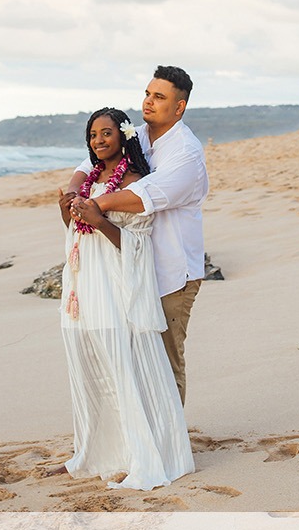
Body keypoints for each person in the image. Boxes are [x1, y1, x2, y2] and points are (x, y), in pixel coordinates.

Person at [55, 106, 194, 490]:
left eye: (106, 133)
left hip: (114, 285)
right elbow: (73, 229)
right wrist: (65, 208)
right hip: (84, 283)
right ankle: (94, 452)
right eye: (93, 135)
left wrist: (100, 220)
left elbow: (137, 244)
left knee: (121, 362)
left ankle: (138, 454)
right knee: (89, 364)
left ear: (123, 136)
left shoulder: (133, 181)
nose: (99, 140)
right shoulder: (89, 180)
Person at [66, 65, 208, 405]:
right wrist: (74, 193)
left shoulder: (186, 152)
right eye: (147, 93)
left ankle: (171, 452)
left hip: (171, 273)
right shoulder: (137, 136)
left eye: (159, 97)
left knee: (165, 362)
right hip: (132, 269)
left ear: (179, 107)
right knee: (136, 361)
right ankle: (143, 443)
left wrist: (95, 204)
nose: (148, 102)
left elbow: (146, 195)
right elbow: (90, 164)